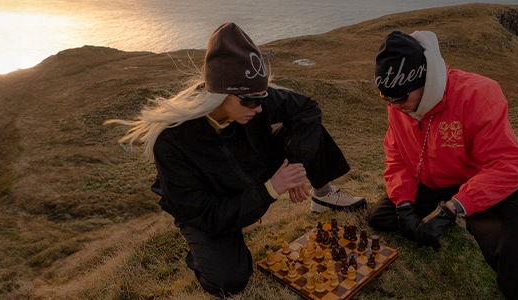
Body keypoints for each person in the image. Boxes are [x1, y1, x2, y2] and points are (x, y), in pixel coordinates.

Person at [106, 22, 365, 297]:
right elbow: (203, 213)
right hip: (211, 204)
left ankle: (322, 194)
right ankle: (203, 249)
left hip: (251, 169)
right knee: (229, 280)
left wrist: (296, 165)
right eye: (250, 101)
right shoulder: (172, 142)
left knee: (305, 124)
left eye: (262, 97)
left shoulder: (251, 97)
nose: (260, 107)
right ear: (219, 94)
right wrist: (271, 189)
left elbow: (308, 108)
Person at [366, 30, 518, 299]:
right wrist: (403, 203)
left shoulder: (478, 94)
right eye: (387, 99)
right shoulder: (398, 104)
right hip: (431, 183)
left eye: (401, 98)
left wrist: (453, 209)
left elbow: (510, 165)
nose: (395, 106)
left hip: (481, 182)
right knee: (381, 216)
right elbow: (396, 155)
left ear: (425, 78)